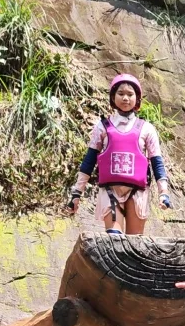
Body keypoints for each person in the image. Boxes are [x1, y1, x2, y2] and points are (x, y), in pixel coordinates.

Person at [67, 74, 172, 235]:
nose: (125, 98)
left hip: (138, 191)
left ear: (137, 99)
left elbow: (157, 163)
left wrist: (163, 192)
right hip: (110, 190)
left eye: (130, 94)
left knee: (134, 244)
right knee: (114, 240)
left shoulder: (147, 128)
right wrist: (77, 193)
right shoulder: (102, 127)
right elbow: (88, 162)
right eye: (121, 93)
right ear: (113, 96)